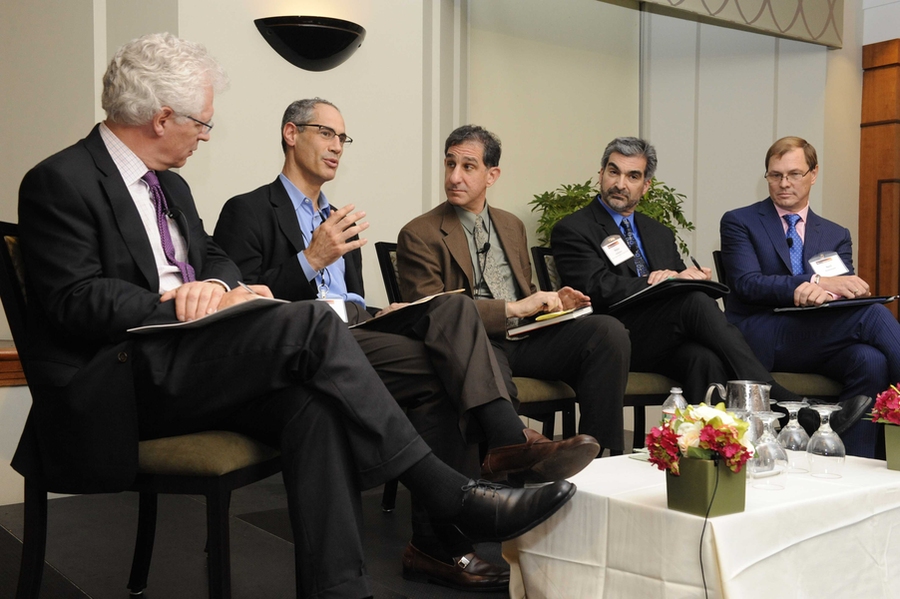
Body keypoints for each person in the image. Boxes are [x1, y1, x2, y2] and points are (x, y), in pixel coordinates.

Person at [12, 33, 576, 599]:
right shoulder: (61, 179)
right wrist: (180, 301)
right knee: (310, 322)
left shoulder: (171, 187)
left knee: (323, 402)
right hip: (126, 375)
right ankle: (452, 495)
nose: (206, 136)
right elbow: (72, 301)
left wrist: (224, 286)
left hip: (205, 359)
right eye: (203, 124)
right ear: (162, 118)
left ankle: (343, 588)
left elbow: (214, 259)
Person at [214, 98, 598, 591]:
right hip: (304, 346)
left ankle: (463, 507)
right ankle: (481, 483)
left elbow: (347, 301)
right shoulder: (247, 210)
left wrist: (383, 313)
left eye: (342, 138)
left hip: (357, 331)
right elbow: (246, 312)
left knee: (451, 309)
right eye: (326, 134)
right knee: (445, 360)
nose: (337, 147)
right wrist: (310, 259)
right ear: (291, 134)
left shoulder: (337, 215)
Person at [550, 136, 869, 434]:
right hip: (613, 338)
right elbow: (595, 287)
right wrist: (656, 281)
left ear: (646, 186)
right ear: (600, 174)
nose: (620, 184)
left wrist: (692, 279)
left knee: (704, 356)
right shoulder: (574, 228)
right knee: (693, 304)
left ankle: (721, 444)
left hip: (661, 339)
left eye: (633, 176)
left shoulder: (658, 232)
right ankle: (783, 401)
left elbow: (674, 283)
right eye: (613, 172)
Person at [396, 125, 631, 456]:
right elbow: (431, 314)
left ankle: (600, 455)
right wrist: (513, 309)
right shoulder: (420, 233)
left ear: (492, 175)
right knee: (489, 370)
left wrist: (552, 305)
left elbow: (527, 295)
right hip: (473, 343)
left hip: (527, 336)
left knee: (607, 332)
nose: (454, 177)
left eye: (468, 166)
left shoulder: (510, 225)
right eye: (450, 164)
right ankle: (511, 466)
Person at [719, 136, 899, 457]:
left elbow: (840, 293)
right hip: (768, 335)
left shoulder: (835, 233)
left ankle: (855, 461)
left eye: (794, 174)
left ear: (813, 174)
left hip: (820, 338)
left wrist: (848, 289)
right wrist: (810, 281)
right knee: (871, 316)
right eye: (775, 175)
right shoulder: (740, 221)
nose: (783, 183)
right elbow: (747, 283)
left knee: (871, 360)